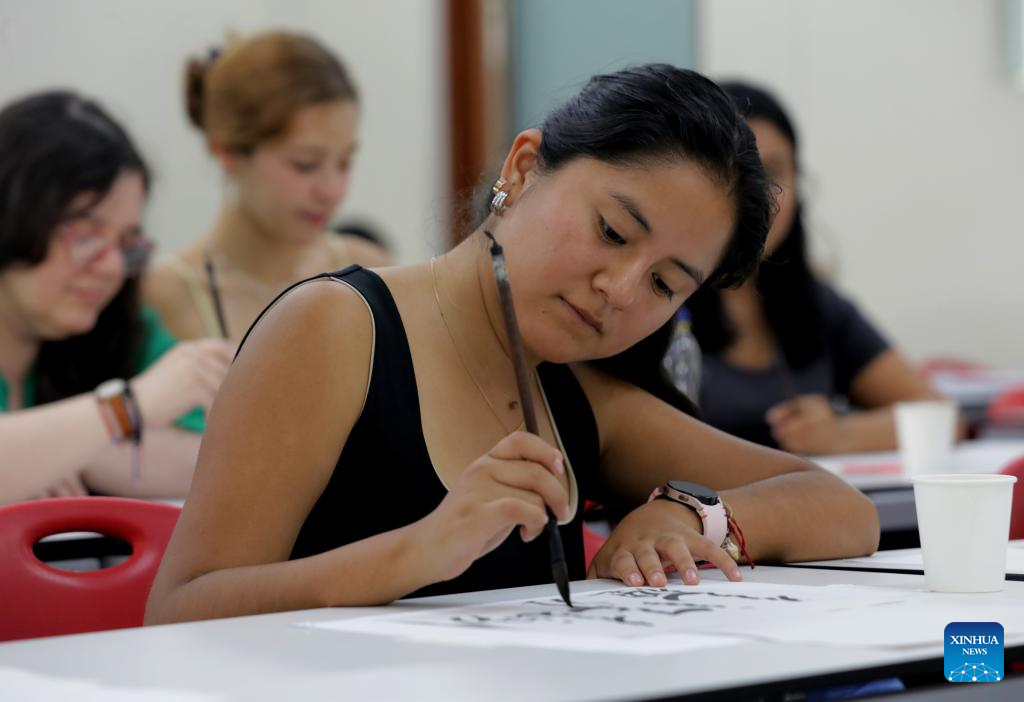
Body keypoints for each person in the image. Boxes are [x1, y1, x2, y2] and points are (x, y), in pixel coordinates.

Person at [145, 65, 878, 624]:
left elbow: (841, 507)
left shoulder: (574, 389)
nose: (621, 289)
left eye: (665, 284)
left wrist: (691, 514)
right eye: (612, 232)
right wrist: (418, 551)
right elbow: (179, 609)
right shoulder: (336, 327)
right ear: (523, 169)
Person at [685, 81, 945, 455]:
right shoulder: (653, 300)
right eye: (738, 171)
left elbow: (939, 417)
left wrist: (841, 434)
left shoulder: (819, 306)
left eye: (774, 172)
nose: (759, 194)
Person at [0, 92, 234, 504]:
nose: (111, 268)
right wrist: (124, 411)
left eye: (127, 242)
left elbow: (222, 460)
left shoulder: (123, 330)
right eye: (85, 235)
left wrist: (67, 448)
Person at [144, 31, 390, 345]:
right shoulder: (162, 297)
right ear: (228, 152)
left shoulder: (372, 273)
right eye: (305, 164)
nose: (332, 191)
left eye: (344, 162)